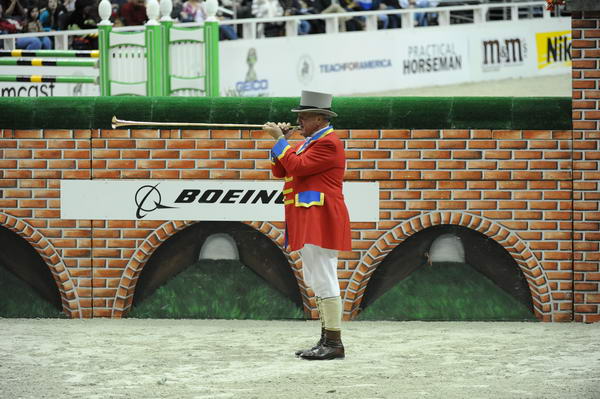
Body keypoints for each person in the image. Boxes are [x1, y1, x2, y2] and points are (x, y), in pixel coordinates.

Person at [263, 90, 351, 361]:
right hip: (308, 217)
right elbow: (281, 169)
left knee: (324, 277)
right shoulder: (310, 142)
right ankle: (327, 339)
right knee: (315, 278)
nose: (299, 120)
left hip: (320, 218)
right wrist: (282, 143)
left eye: (304, 116)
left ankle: (334, 342)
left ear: (320, 118)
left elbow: (297, 168)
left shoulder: (328, 143)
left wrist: (280, 141)